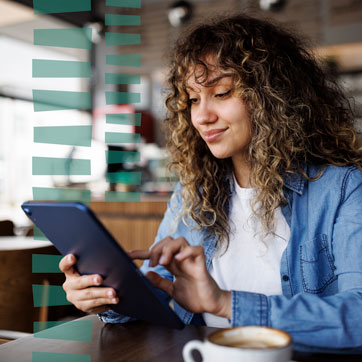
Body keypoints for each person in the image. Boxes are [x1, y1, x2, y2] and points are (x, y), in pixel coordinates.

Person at [59, 14, 362, 352]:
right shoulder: (194, 194)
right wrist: (108, 297)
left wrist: (224, 303)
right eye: (192, 99)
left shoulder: (342, 189)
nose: (202, 116)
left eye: (221, 92)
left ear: (275, 97)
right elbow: (155, 296)